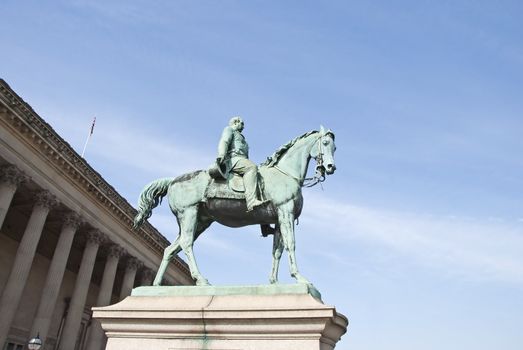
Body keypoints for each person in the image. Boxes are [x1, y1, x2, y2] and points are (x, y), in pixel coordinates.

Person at [216, 116, 266, 211]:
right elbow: (224, 141)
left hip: (241, 160)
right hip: (233, 159)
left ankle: (264, 224)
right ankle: (251, 202)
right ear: (235, 122)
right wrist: (221, 154)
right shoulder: (229, 129)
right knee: (251, 168)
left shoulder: (241, 137)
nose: (243, 127)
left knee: (260, 176)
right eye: (242, 124)